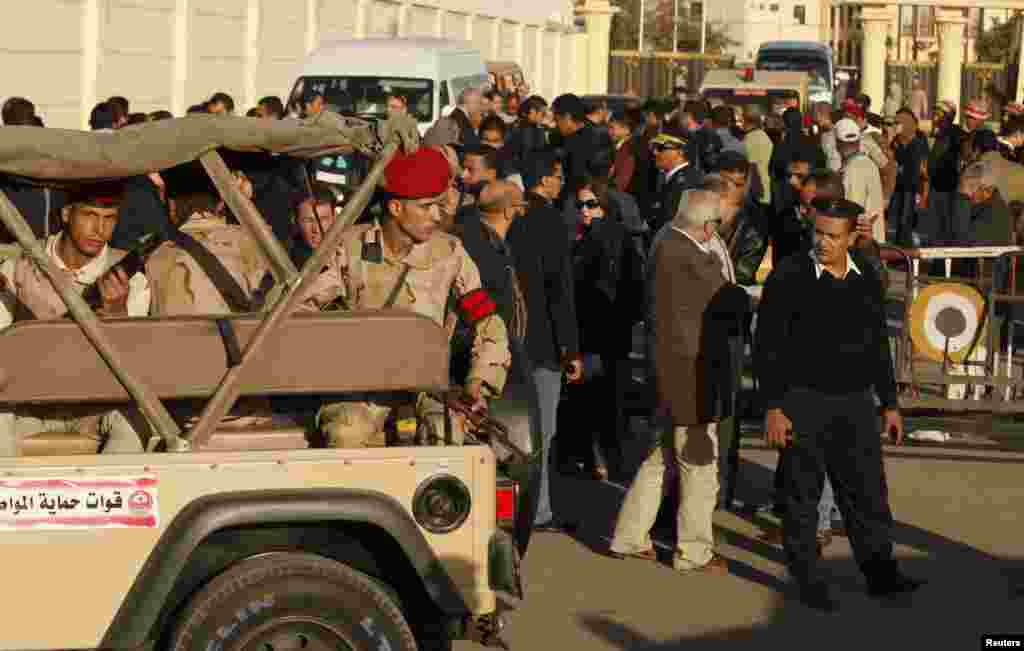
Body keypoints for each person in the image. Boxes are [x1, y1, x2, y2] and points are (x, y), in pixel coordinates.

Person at [756, 196, 924, 612]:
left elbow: (876, 344)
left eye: (833, 236)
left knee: (867, 494)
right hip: (803, 402)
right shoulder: (789, 276)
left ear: (852, 237)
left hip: (855, 405)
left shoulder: (865, 274)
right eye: (818, 232)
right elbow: (767, 348)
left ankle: (882, 575)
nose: (823, 242)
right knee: (802, 497)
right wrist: (774, 406)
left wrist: (889, 403)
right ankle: (808, 578)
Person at [292, 147, 510, 448]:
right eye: (425, 206)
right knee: (346, 432)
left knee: (444, 433)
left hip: (427, 389)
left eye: (438, 205)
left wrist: (477, 384)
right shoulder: (349, 248)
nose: (436, 215)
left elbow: (489, 325)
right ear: (396, 208)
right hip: (359, 390)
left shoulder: (450, 253)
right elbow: (297, 311)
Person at [608, 186, 749, 573]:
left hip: (665, 371)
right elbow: (732, 302)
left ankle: (630, 535)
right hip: (691, 375)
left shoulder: (664, 239)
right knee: (699, 466)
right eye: (715, 224)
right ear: (706, 225)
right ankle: (694, 551)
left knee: (661, 458)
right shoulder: (691, 257)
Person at [0, 182, 149, 456]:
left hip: (96, 405)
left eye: (109, 219)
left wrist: (117, 313)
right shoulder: (18, 269)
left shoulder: (129, 278)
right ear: (67, 214)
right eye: (90, 216)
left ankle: (114, 494)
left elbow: (137, 361)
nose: (99, 230)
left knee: (136, 423)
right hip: (29, 404)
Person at [509, 152, 582, 530]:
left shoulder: (509, 216)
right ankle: (538, 510)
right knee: (542, 432)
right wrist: (570, 348)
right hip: (543, 343)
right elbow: (560, 290)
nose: (561, 182)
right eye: (558, 175)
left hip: (508, 339)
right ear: (545, 180)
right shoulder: (550, 220)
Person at [836, 118, 885, 241]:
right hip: (870, 245)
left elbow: (853, 211)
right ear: (858, 142)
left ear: (837, 143)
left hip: (861, 247)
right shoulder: (868, 163)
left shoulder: (853, 169)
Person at [889, 108, 930, 245]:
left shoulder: (918, 143)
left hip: (911, 190)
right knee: (899, 224)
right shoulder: (896, 142)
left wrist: (923, 194)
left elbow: (924, 171)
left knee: (906, 222)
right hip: (899, 189)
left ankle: (906, 254)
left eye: (897, 123)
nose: (895, 126)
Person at [649, 132, 701, 235]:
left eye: (661, 148)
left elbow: (672, 220)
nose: (655, 152)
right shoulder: (673, 177)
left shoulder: (685, 181)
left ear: (680, 152)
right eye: (654, 148)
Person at [743, 104, 774, 206]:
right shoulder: (764, 136)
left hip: (756, 192)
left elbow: (752, 167)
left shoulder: (750, 138)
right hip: (767, 188)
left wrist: (746, 192)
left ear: (745, 119)